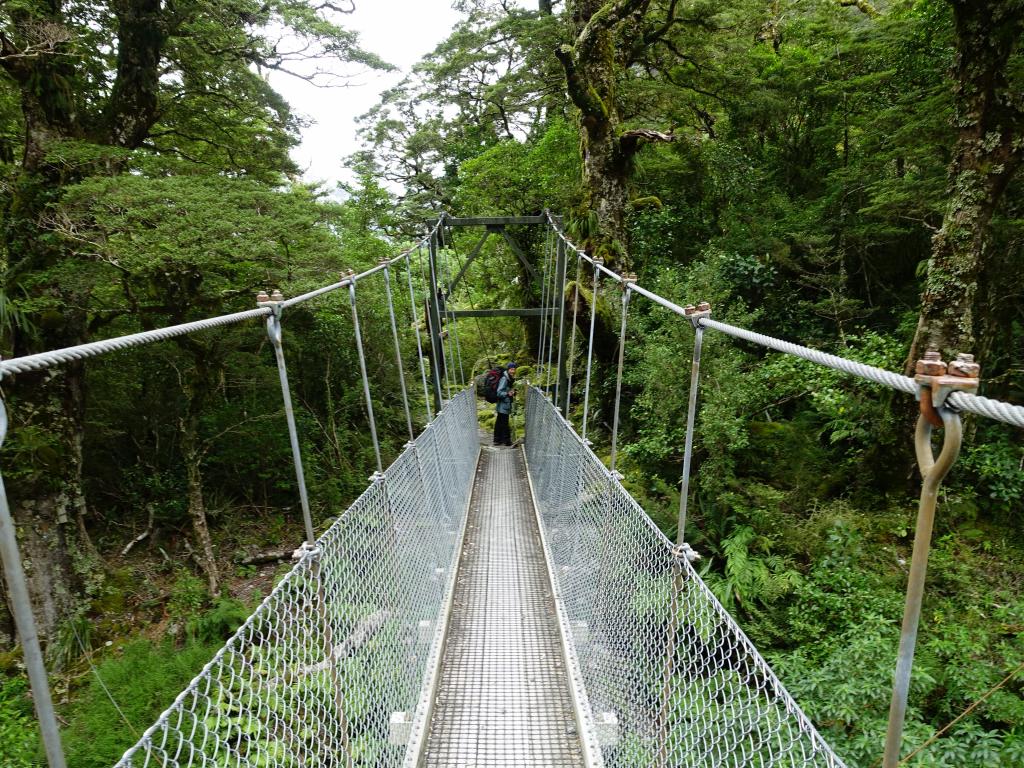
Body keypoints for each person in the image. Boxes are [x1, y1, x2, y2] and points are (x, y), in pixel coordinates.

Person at [493, 362, 516, 446]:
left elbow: (507, 389)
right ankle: (507, 441)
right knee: (504, 423)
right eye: (511, 369)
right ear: (508, 369)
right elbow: (499, 392)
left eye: (514, 369)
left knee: (499, 422)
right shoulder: (504, 379)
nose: (513, 371)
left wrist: (512, 392)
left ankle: (497, 440)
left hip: (505, 405)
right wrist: (507, 394)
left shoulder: (509, 378)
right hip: (503, 405)